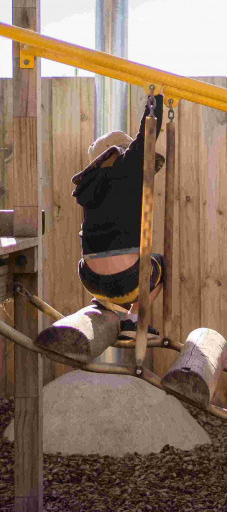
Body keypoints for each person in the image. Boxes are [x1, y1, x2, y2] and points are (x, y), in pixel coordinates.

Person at [72, 94, 165, 340]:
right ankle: (133, 319)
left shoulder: (86, 186)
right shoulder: (126, 169)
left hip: (90, 279)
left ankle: (114, 309)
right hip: (128, 280)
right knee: (161, 264)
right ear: (119, 153)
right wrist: (156, 100)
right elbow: (147, 134)